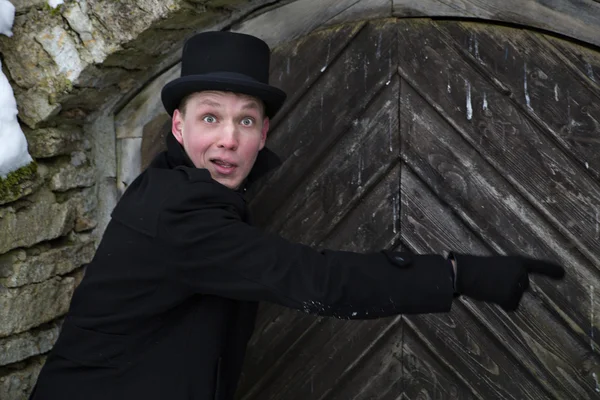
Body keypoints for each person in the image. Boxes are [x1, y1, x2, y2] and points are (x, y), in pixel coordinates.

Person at [29, 31, 565, 400]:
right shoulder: (179, 211)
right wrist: (458, 274)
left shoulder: (192, 193)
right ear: (177, 127)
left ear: (264, 133)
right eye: (210, 117)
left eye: (245, 121)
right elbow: (315, 279)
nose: (227, 139)